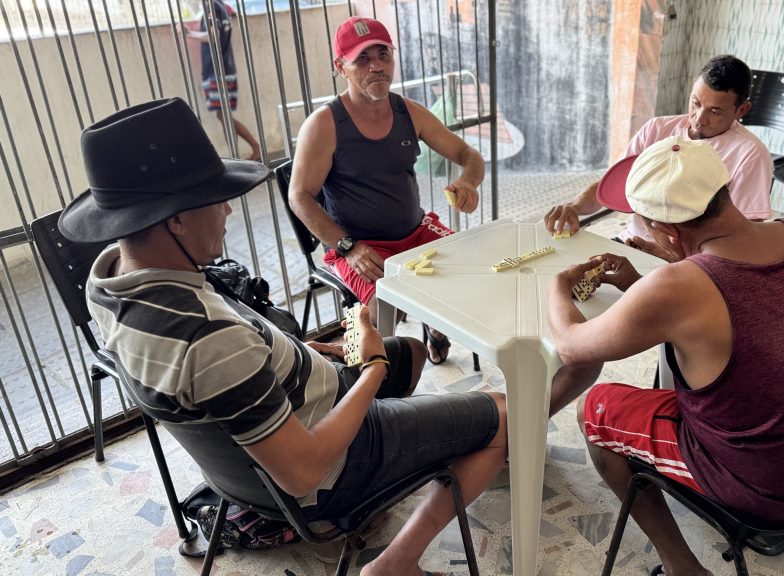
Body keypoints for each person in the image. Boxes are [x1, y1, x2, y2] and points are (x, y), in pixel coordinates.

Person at [58, 97, 507, 576]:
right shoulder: (209, 341)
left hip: (286, 422)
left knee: (412, 352)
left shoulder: (109, 281)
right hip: (324, 466)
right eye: (215, 199)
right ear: (176, 219)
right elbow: (303, 470)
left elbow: (226, 367)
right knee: (503, 415)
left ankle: (398, 464)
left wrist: (294, 352)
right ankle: (394, 563)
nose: (229, 209)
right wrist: (371, 371)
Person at [547, 137, 784, 576]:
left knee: (596, 409)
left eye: (644, 228)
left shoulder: (680, 288)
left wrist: (558, 284)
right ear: (725, 191)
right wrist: (656, 277)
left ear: (667, 232)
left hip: (770, 484)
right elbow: (746, 306)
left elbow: (571, 345)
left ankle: (682, 566)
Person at [288, 16, 484, 364]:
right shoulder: (324, 124)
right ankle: (379, 385)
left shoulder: (408, 111)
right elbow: (299, 196)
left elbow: (468, 154)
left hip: (416, 230)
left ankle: (435, 330)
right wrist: (348, 247)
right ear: (341, 66)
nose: (377, 66)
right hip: (360, 244)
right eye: (363, 58)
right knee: (382, 303)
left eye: (383, 55)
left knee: (470, 265)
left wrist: (468, 180)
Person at [544, 54, 773, 261]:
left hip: (692, 265)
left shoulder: (751, 155)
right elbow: (613, 186)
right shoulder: (657, 128)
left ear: (741, 110)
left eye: (715, 111)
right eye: (696, 103)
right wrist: (574, 208)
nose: (699, 119)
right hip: (630, 244)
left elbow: (743, 239)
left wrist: (671, 256)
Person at [181, 0, 262, 161]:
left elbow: (213, 34)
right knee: (223, 115)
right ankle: (244, 152)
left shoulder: (212, 6)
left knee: (223, 116)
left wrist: (189, 34)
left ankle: (244, 153)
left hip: (218, 71)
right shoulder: (222, 7)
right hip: (223, 69)